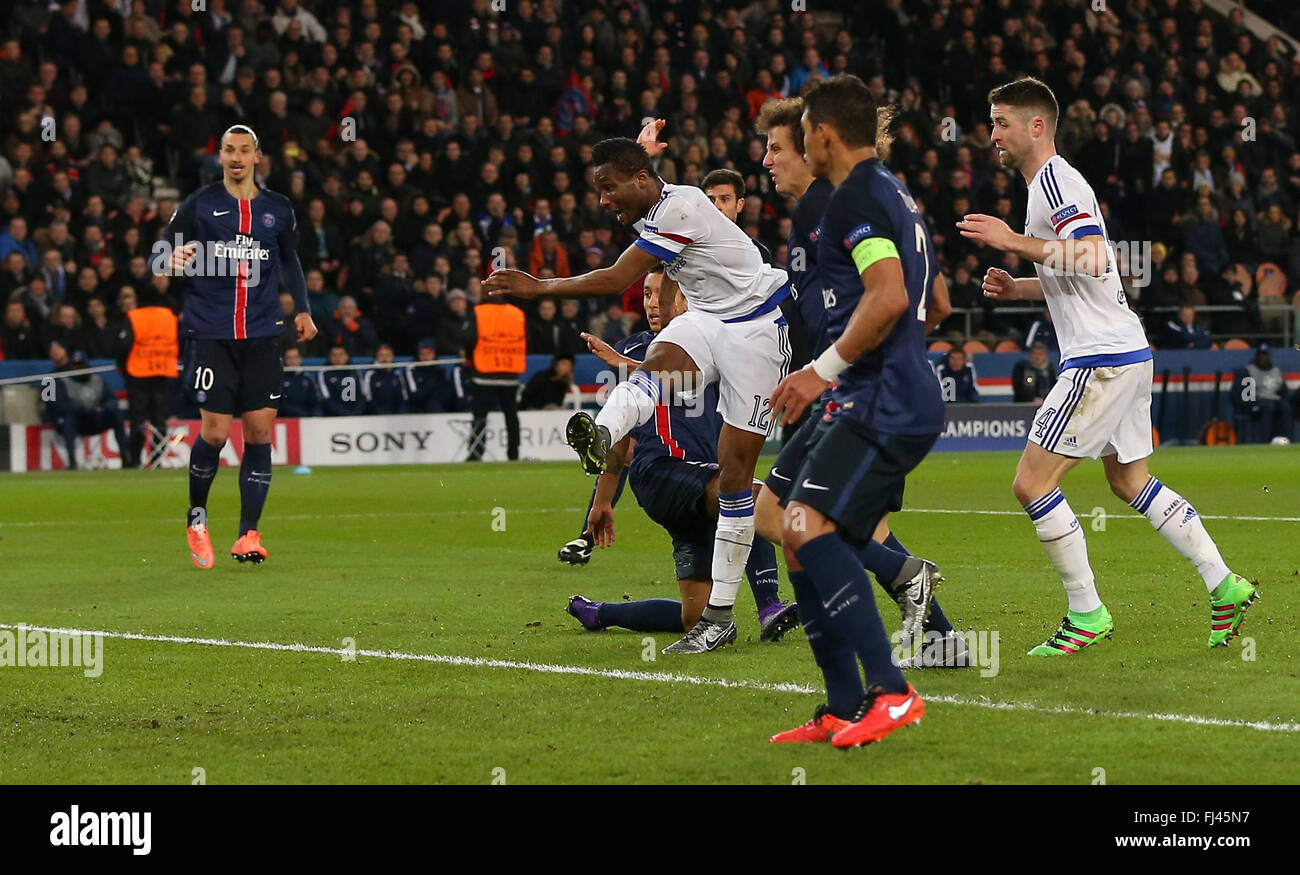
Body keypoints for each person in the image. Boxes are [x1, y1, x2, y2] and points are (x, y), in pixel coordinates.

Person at [958, 77, 1255, 653]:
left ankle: (1086, 613)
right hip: (1125, 350)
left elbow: (1093, 257)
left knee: (1030, 483)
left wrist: (1012, 242)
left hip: (1100, 359)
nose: (992, 134)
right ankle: (1225, 584)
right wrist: (1022, 288)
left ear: (1036, 126)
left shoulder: (1054, 181)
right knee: (1128, 480)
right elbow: (1089, 276)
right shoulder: (1049, 185)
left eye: (1001, 122)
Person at [484, 122, 792, 654]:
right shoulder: (657, 200)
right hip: (711, 319)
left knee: (738, 480)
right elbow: (640, 181)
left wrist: (542, 287)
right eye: (599, 190)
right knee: (654, 363)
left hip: (759, 329)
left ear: (643, 180)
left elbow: (614, 278)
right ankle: (602, 435)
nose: (604, 201)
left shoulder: (679, 207)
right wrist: (640, 153)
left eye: (609, 188)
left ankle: (727, 611)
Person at [764, 75, 944, 747]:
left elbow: (890, 294)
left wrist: (822, 369)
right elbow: (935, 300)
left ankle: (893, 691)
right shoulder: (894, 193)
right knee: (799, 537)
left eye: (803, 129)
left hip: (881, 398)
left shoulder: (854, 199)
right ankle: (842, 704)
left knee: (806, 525)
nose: (800, 140)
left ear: (824, 134)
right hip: (881, 390)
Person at [564, 267, 797, 641]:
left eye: (663, 294)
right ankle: (770, 604)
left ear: (688, 297)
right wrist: (602, 500)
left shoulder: (710, 345)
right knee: (747, 496)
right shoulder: (634, 348)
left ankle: (600, 613)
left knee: (696, 618)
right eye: (646, 295)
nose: (653, 303)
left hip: (703, 483)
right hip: (661, 474)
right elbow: (620, 439)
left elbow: (692, 376)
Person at [163, 124, 318, 568]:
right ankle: (197, 518)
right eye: (229, 150)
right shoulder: (201, 203)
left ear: (256, 157)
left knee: (259, 433)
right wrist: (169, 257)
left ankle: (248, 533)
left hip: (263, 334)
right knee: (213, 432)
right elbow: (161, 248)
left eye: (243, 150)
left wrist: (303, 309)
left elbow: (290, 259)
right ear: (220, 156)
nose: (236, 157)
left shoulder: (278, 209)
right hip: (210, 334)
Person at [43, 341, 131, 470]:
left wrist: (100, 409)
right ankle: (72, 461)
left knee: (116, 415)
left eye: (59, 348)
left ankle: (126, 457)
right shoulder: (49, 379)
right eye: (52, 350)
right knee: (69, 419)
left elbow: (112, 400)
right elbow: (54, 404)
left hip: (95, 418)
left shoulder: (96, 378)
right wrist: (82, 410)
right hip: (74, 420)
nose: (55, 352)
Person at [117, 287, 179, 467]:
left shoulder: (135, 317)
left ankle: (134, 460)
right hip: (162, 371)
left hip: (137, 374)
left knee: (138, 419)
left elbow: (123, 344)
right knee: (159, 418)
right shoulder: (169, 316)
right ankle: (158, 460)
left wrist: (122, 366)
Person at [465, 293, 526, 460]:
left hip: (484, 372)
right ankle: (513, 454)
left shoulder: (478, 312)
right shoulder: (517, 313)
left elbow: (468, 338)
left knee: (480, 416)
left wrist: (472, 356)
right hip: (510, 371)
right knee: (511, 416)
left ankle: (476, 453)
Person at [1243, 344, 1292, 442]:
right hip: (1259, 400)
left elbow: (1284, 391)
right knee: (1269, 407)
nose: (1263, 357)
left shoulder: (1276, 370)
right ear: (1257, 356)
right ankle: (1265, 440)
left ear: (1269, 356)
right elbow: (1246, 394)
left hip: (1274, 399)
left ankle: (1286, 439)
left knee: (1286, 407)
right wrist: (1253, 404)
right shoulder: (1249, 370)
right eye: (1260, 354)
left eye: (1265, 354)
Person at [404, 338, 455, 413]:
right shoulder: (412, 370)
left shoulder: (440, 371)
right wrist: (434, 380)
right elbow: (415, 397)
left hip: (439, 410)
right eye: (422, 354)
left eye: (428, 353)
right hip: (417, 412)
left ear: (434, 354)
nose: (425, 357)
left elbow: (447, 396)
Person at [318, 344, 366, 416]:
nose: (338, 358)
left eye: (341, 355)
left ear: (347, 356)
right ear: (330, 357)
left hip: (356, 415)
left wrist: (356, 413)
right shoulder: (324, 373)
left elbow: (362, 396)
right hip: (334, 417)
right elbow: (326, 398)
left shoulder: (355, 372)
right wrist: (345, 414)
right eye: (334, 355)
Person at [363, 344, 408, 414]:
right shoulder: (370, 374)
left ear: (392, 357)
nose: (384, 358)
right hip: (376, 417)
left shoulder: (397, 374)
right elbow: (368, 399)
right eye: (381, 355)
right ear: (376, 357)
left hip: (396, 417)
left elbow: (403, 398)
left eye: (388, 355)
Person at [278, 346, 322, 417]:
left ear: (300, 359)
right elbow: (281, 405)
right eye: (289, 358)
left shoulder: (308, 378)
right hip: (287, 419)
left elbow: (316, 401)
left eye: (295, 357)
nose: (292, 360)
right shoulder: (280, 379)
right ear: (284, 360)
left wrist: (315, 416)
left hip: (308, 419)